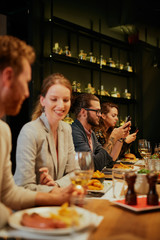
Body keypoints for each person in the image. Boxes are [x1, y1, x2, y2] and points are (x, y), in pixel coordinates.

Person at [0, 35, 74, 229]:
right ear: (8, 76)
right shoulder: (28, 131)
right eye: (25, 82)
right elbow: (18, 190)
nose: (26, 93)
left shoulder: (3, 131)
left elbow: (8, 193)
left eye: (66, 100)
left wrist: (54, 192)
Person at [14, 73, 77, 191]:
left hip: (57, 202)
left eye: (66, 100)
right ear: (42, 100)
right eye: (54, 99)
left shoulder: (66, 129)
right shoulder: (29, 131)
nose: (61, 105)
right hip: (33, 205)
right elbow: (23, 186)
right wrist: (51, 190)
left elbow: (75, 172)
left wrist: (56, 185)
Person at [71, 93, 115, 171]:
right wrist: (113, 138)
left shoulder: (91, 133)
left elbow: (107, 160)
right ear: (83, 112)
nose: (100, 115)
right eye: (97, 111)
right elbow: (92, 165)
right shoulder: (74, 132)